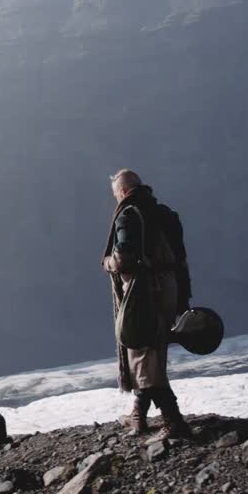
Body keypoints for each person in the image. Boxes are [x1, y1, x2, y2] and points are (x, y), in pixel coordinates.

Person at [101, 169, 190, 438]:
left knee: (140, 350)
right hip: (170, 289)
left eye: (117, 194)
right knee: (152, 354)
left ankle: (173, 421)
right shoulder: (165, 214)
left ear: (125, 192)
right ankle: (138, 414)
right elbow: (180, 258)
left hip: (143, 293)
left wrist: (108, 263)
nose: (116, 199)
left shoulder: (128, 215)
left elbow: (124, 258)